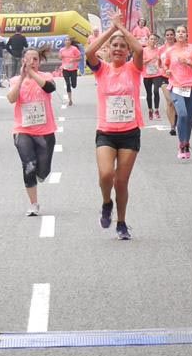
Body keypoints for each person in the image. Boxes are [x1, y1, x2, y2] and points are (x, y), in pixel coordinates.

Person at [85, 14, 148, 240]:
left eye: (122, 46)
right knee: (106, 175)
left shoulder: (133, 68)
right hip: (106, 132)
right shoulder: (101, 69)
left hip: (130, 133)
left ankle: (121, 223)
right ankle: (106, 203)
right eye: (115, 46)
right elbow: (89, 52)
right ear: (109, 49)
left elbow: (140, 50)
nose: (119, 49)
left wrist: (121, 27)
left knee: (121, 181)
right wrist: (111, 30)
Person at [7, 48, 58, 217]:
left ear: (39, 62)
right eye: (28, 60)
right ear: (22, 61)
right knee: (28, 165)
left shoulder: (46, 77)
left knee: (43, 171)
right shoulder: (15, 80)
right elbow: (11, 99)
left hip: (45, 131)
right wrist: (22, 77)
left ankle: (41, 173)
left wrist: (32, 73)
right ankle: (33, 204)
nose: (31, 63)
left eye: (35, 59)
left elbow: (49, 89)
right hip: (23, 129)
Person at [163, 25, 192, 159]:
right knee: (182, 114)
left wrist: (188, 62)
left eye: (183, 32)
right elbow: (165, 65)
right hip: (176, 87)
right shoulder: (170, 51)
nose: (181, 34)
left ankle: (187, 142)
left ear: (187, 35)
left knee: (188, 118)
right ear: (175, 36)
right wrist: (167, 71)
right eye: (178, 32)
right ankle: (181, 144)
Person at [141, 34, 165, 120]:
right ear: (148, 40)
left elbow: (162, 61)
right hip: (147, 74)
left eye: (154, 39)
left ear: (157, 41)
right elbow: (141, 62)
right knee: (149, 93)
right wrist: (150, 60)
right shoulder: (144, 50)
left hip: (157, 74)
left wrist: (158, 60)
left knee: (155, 91)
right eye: (151, 39)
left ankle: (157, 110)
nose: (153, 41)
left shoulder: (159, 50)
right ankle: (150, 110)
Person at [59, 37, 81, 106]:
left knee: (74, 85)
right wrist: (60, 56)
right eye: (66, 40)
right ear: (64, 42)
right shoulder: (62, 50)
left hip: (73, 69)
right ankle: (70, 100)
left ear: (70, 42)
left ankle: (73, 84)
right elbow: (59, 57)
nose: (67, 41)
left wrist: (73, 60)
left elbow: (80, 58)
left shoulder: (74, 49)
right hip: (65, 69)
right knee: (68, 83)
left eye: (68, 40)